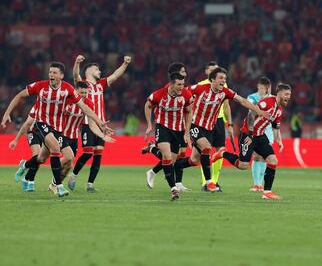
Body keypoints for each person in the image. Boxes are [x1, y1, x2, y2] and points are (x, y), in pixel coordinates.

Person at [1, 62, 109, 197]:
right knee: (55, 148)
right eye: (50, 72)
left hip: (57, 129)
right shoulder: (40, 86)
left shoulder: (67, 89)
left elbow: (84, 108)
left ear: (61, 76)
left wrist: (100, 122)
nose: (51, 74)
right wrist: (7, 113)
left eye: (54, 73)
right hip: (41, 123)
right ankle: (57, 186)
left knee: (42, 158)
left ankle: (24, 165)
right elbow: (20, 95)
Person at [174, 67, 268, 192]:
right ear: (212, 79)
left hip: (209, 128)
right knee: (207, 148)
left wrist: (258, 110)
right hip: (195, 125)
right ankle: (209, 183)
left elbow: (243, 101)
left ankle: (171, 166)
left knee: (194, 160)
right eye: (221, 78)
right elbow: (181, 91)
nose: (223, 80)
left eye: (225, 78)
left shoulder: (225, 92)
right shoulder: (200, 88)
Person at [212, 83, 291, 199]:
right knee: (243, 165)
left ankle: (267, 192)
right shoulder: (267, 102)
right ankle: (223, 153)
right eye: (286, 94)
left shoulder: (279, 110)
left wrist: (279, 140)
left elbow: (275, 126)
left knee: (273, 161)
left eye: (290, 94)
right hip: (247, 134)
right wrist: (249, 133)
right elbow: (251, 114)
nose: (289, 97)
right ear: (279, 94)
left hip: (260, 136)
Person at [69, 54, 131, 191]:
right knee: (88, 153)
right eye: (97, 70)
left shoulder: (100, 84)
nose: (100, 72)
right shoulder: (83, 84)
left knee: (98, 155)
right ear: (90, 71)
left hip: (101, 124)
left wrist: (125, 64)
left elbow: (115, 75)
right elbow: (75, 76)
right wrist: (77, 63)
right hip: (86, 123)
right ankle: (73, 175)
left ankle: (90, 184)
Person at [143, 62, 191, 191]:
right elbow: (148, 105)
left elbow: (189, 110)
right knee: (168, 156)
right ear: (173, 81)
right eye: (183, 72)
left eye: (183, 84)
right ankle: (174, 186)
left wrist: (187, 132)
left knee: (173, 158)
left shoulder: (186, 94)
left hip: (179, 128)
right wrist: (149, 124)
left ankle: (152, 164)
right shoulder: (161, 93)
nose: (181, 86)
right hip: (163, 126)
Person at [197, 61, 233, 192]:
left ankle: (215, 181)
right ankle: (205, 182)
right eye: (212, 70)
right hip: (204, 122)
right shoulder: (200, 86)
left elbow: (226, 105)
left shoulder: (224, 85)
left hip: (218, 121)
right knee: (205, 151)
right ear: (207, 72)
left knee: (220, 150)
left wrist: (229, 123)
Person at [246, 77, 273, 192]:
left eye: (266, 88)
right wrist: (263, 100)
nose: (264, 90)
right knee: (256, 156)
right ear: (258, 87)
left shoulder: (271, 98)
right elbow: (252, 110)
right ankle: (256, 183)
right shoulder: (251, 97)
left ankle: (260, 184)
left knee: (264, 157)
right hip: (255, 129)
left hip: (267, 130)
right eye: (262, 88)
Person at [8, 105, 41, 191]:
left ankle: (24, 168)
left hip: (46, 134)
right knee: (37, 156)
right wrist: (15, 140)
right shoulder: (36, 107)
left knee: (40, 159)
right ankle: (31, 182)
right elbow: (26, 125)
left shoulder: (56, 105)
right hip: (33, 132)